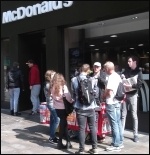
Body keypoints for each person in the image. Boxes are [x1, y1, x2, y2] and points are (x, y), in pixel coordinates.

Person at [71, 64, 99, 154]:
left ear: (80, 70)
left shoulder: (74, 80)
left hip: (80, 108)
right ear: (88, 70)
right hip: (91, 107)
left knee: (81, 129)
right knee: (93, 127)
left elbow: (74, 95)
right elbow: (95, 93)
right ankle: (95, 148)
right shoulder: (93, 79)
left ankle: (81, 150)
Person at [121, 55, 143, 142]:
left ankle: (135, 134)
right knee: (123, 114)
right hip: (125, 94)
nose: (128, 63)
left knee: (134, 115)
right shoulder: (126, 70)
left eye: (130, 61)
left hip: (133, 94)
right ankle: (121, 133)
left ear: (134, 62)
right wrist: (122, 78)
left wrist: (131, 85)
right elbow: (123, 78)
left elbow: (139, 85)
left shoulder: (138, 72)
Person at [103, 61, 123, 152]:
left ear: (107, 69)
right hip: (117, 101)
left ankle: (116, 144)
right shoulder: (117, 76)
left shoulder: (111, 77)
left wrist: (104, 95)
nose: (104, 70)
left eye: (104, 68)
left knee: (113, 123)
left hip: (111, 102)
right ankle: (120, 141)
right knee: (118, 122)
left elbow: (110, 92)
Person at [51, 73, 74, 149]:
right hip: (64, 107)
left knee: (64, 124)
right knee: (63, 125)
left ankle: (67, 142)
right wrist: (72, 101)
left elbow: (52, 96)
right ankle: (61, 142)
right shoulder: (63, 87)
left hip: (57, 107)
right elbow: (68, 98)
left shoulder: (52, 87)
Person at [88, 62, 107, 142]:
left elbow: (105, 83)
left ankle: (100, 135)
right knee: (93, 117)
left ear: (100, 68)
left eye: (97, 67)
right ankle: (92, 135)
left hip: (99, 98)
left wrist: (99, 77)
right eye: (95, 66)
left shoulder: (103, 74)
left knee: (100, 117)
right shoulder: (90, 75)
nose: (96, 68)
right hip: (91, 99)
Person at [43, 70, 60, 144]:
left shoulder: (49, 84)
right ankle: (52, 137)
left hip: (51, 103)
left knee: (53, 120)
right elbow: (54, 94)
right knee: (57, 119)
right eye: (53, 75)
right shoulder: (48, 84)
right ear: (49, 76)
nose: (55, 76)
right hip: (52, 103)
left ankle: (52, 136)